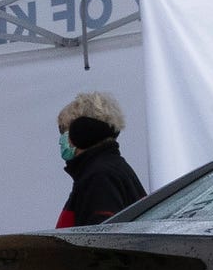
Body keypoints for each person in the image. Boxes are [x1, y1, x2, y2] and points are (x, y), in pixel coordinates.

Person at [54, 90, 147, 227]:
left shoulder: (99, 176)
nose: (61, 140)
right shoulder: (113, 167)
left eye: (65, 131)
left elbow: (102, 238)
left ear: (83, 131)